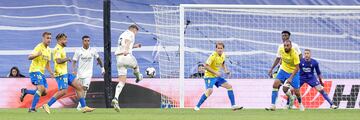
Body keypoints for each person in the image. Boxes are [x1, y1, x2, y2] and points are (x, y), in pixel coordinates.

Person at [42, 33, 95, 114]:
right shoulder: (57, 49)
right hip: (60, 74)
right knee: (63, 91)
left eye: (66, 39)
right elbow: (58, 60)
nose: (66, 41)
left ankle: (84, 107)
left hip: (65, 73)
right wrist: (67, 59)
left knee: (79, 87)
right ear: (59, 40)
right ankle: (47, 105)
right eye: (64, 40)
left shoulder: (61, 48)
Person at [194, 42, 243, 111]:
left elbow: (223, 63)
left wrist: (226, 70)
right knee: (209, 91)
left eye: (221, 48)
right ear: (216, 49)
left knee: (229, 86)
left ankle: (233, 106)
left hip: (216, 76)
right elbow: (206, 66)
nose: (219, 49)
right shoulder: (213, 56)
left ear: (223, 49)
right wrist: (216, 72)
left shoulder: (223, 55)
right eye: (218, 48)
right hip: (209, 76)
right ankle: (197, 106)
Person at [20, 32, 54, 112]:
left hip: (41, 73)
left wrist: (51, 72)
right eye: (47, 38)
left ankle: (26, 91)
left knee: (44, 92)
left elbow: (47, 64)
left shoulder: (49, 50)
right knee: (41, 89)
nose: (49, 40)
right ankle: (32, 108)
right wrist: (37, 54)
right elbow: (29, 57)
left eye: (50, 38)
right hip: (35, 70)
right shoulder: (39, 47)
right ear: (43, 38)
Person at [112, 25, 143, 112]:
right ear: (133, 29)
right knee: (136, 66)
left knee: (121, 81)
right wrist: (126, 50)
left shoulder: (122, 34)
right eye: (136, 32)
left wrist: (135, 46)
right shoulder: (131, 33)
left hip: (119, 59)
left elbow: (125, 44)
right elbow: (128, 42)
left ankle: (115, 98)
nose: (136, 34)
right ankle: (138, 77)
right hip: (126, 56)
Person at [266, 40, 304, 111]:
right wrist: (271, 69)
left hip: (294, 72)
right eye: (285, 45)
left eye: (287, 46)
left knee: (297, 92)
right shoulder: (281, 49)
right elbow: (278, 58)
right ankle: (273, 105)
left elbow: (297, 67)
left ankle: (300, 104)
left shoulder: (294, 54)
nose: (286, 47)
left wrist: (290, 78)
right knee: (275, 84)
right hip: (283, 70)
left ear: (291, 46)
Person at [72, 35, 104, 110]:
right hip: (80, 74)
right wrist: (73, 70)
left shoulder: (93, 50)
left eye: (88, 41)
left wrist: (102, 68)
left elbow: (98, 59)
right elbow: (74, 61)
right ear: (82, 41)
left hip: (88, 73)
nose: (87, 42)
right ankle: (81, 103)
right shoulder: (78, 51)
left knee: (85, 88)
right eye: (85, 41)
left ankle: (80, 105)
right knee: (79, 90)